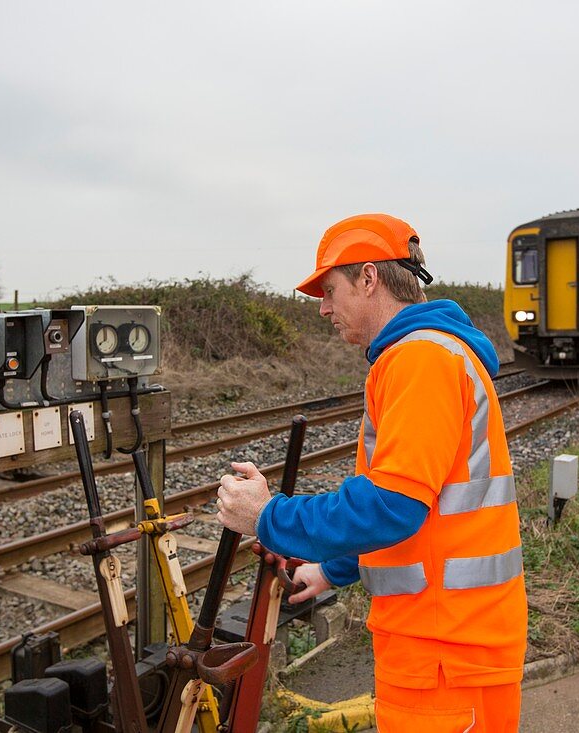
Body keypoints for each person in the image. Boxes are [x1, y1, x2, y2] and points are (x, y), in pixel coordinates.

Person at [216, 213, 527, 732]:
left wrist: (268, 516)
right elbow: (429, 512)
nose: (323, 308)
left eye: (330, 290)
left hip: (442, 657)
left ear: (368, 278)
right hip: (449, 644)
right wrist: (334, 569)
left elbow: (390, 507)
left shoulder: (419, 360)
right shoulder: (426, 354)